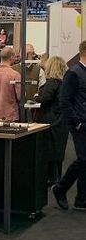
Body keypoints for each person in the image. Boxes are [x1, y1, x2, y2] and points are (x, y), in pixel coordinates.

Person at [52, 41, 86, 211]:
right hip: (79, 124)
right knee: (83, 159)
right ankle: (60, 188)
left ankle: (81, 199)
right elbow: (65, 101)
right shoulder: (73, 73)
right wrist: (76, 122)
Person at [34, 56, 68, 185]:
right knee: (58, 151)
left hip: (50, 121)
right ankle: (57, 177)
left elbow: (44, 99)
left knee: (49, 151)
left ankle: (51, 178)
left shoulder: (51, 83)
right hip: (61, 121)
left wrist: (36, 97)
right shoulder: (64, 83)